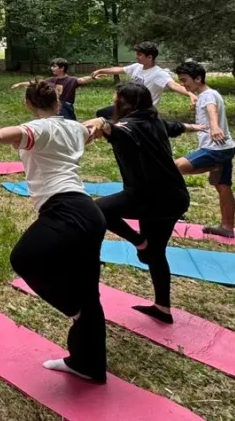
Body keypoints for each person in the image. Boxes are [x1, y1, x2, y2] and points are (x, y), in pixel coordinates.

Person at [0, 81, 107, 383]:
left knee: (23, 259)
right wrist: (101, 121)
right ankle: (88, 365)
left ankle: (74, 310)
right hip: (89, 213)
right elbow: (92, 129)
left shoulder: (36, 128)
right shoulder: (74, 129)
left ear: (28, 104)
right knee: (89, 292)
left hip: (65, 210)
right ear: (58, 104)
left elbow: (10, 134)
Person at [85, 83, 204, 324]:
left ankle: (140, 242)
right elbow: (176, 127)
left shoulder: (128, 127)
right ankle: (163, 307)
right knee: (155, 254)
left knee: (97, 209)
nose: (113, 102)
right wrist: (195, 127)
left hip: (147, 197)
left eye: (115, 99)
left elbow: (115, 128)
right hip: (175, 197)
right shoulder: (154, 120)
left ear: (124, 104)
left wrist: (102, 125)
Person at [173, 62, 235, 237]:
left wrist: (214, 126)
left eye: (184, 80)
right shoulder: (208, 94)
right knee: (222, 185)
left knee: (173, 168)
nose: (183, 84)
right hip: (226, 148)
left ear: (198, 79)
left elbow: (212, 110)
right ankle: (227, 228)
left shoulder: (208, 96)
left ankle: (177, 211)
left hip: (215, 149)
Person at [89, 42, 195, 119]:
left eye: (139, 55)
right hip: (128, 107)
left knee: (109, 119)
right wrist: (101, 70)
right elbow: (119, 69)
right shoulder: (137, 67)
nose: (137, 57)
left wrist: (190, 94)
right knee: (101, 114)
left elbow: (174, 85)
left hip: (143, 111)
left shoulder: (159, 73)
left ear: (149, 57)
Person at [10, 58, 96, 120]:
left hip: (66, 106)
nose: (52, 68)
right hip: (54, 104)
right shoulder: (52, 80)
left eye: (54, 66)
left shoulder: (71, 80)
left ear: (62, 68)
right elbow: (38, 82)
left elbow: (82, 80)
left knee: (68, 120)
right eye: (52, 66)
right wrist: (20, 84)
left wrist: (93, 77)